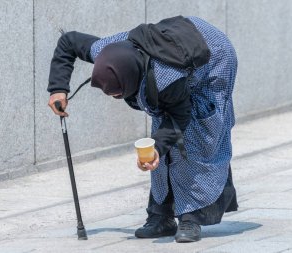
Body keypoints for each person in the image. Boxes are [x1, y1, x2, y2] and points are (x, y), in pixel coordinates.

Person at [47, 16, 238, 243]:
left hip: (214, 58)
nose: (116, 98)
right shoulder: (107, 51)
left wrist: (157, 148)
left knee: (197, 135)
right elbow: (68, 42)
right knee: (161, 129)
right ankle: (161, 216)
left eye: (118, 93)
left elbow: (179, 116)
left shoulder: (167, 78)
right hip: (174, 51)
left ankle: (191, 217)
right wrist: (58, 88)